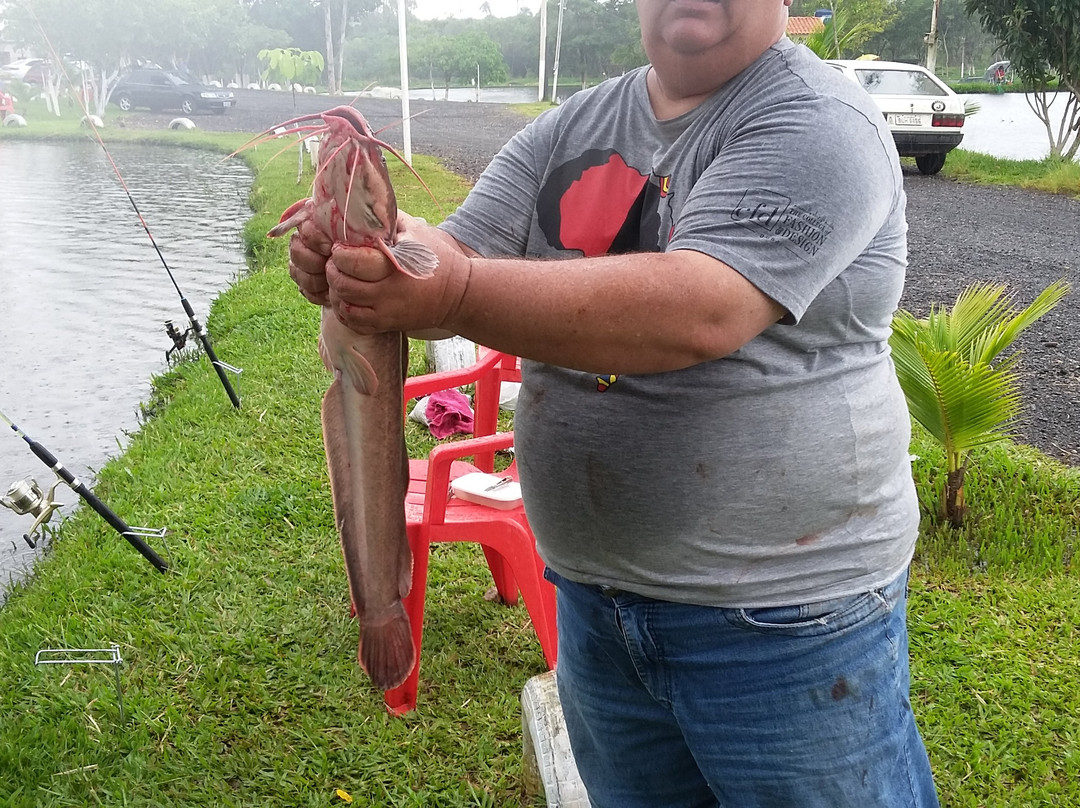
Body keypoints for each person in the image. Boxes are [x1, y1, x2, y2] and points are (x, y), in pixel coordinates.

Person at [288, 1, 940, 805]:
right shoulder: (578, 123)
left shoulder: (819, 120)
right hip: (595, 606)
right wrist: (375, 261)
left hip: (786, 625)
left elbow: (697, 308)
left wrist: (446, 287)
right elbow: (459, 247)